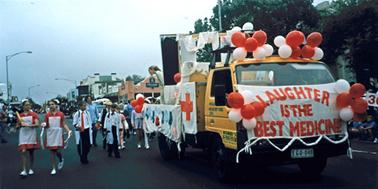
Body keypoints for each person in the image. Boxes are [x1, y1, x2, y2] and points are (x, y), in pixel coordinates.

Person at [42, 99, 72, 175]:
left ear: (56, 105)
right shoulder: (47, 115)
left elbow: (63, 124)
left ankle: (61, 159)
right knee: (52, 151)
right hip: (50, 134)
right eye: (50, 105)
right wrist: (44, 125)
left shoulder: (61, 114)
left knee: (57, 150)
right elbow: (46, 124)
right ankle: (53, 168)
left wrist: (68, 130)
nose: (51, 106)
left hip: (58, 134)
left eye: (52, 104)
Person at [17, 100, 40, 177]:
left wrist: (27, 125)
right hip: (23, 135)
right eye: (26, 105)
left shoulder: (34, 114)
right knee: (23, 151)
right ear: (23, 106)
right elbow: (17, 126)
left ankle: (31, 168)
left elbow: (37, 124)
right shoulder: (20, 115)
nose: (28, 106)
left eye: (29, 105)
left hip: (31, 135)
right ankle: (24, 170)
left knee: (31, 152)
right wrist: (19, 124)